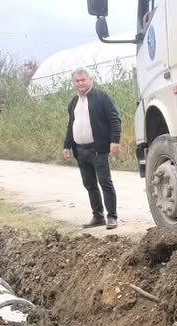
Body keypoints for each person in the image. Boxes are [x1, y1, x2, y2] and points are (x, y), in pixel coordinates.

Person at [63, 68, 123, 229]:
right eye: (77, 81)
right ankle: (98, 216)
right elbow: (71, 125)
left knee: (105, 182)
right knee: (89, 184)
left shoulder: (102, 97)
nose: (80, 83)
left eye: (83, 80)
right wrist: (67, 145)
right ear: (74, 83)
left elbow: (114, 119)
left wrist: (115, 141)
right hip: (80, 151)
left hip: (98, 149)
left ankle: (112, 216)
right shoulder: (74, 102)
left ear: (91, 80)